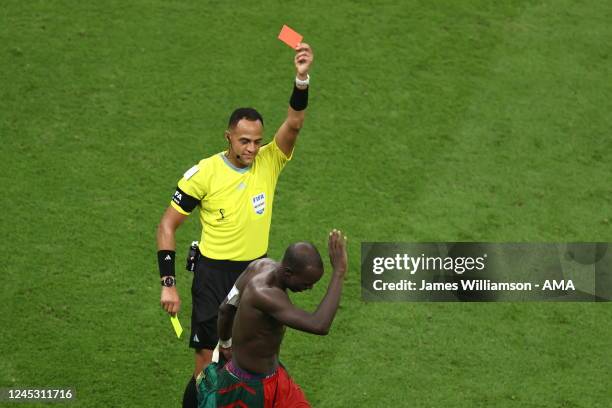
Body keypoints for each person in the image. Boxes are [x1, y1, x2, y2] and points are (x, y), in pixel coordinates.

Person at [156, 43, 314, 408]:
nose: (253, 148)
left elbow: (294, 122)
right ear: (228, 136)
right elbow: (167, 226)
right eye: (244, 141)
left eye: (258, 141)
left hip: (256, 273)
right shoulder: (204, 174)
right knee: (208, 360)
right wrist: (169, 285)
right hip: (212, 276)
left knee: (249, 356)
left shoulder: (270, 161)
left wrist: (301, 78)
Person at [197, 229, 348, 407]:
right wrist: (339, 271)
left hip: (275, 380)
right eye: (307, 283)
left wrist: (225, 343)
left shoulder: (258, 266)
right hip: (248, 389)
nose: (310, 288)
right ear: (289, 273)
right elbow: (320, 325)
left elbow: (225, 308)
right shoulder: (265, 295)